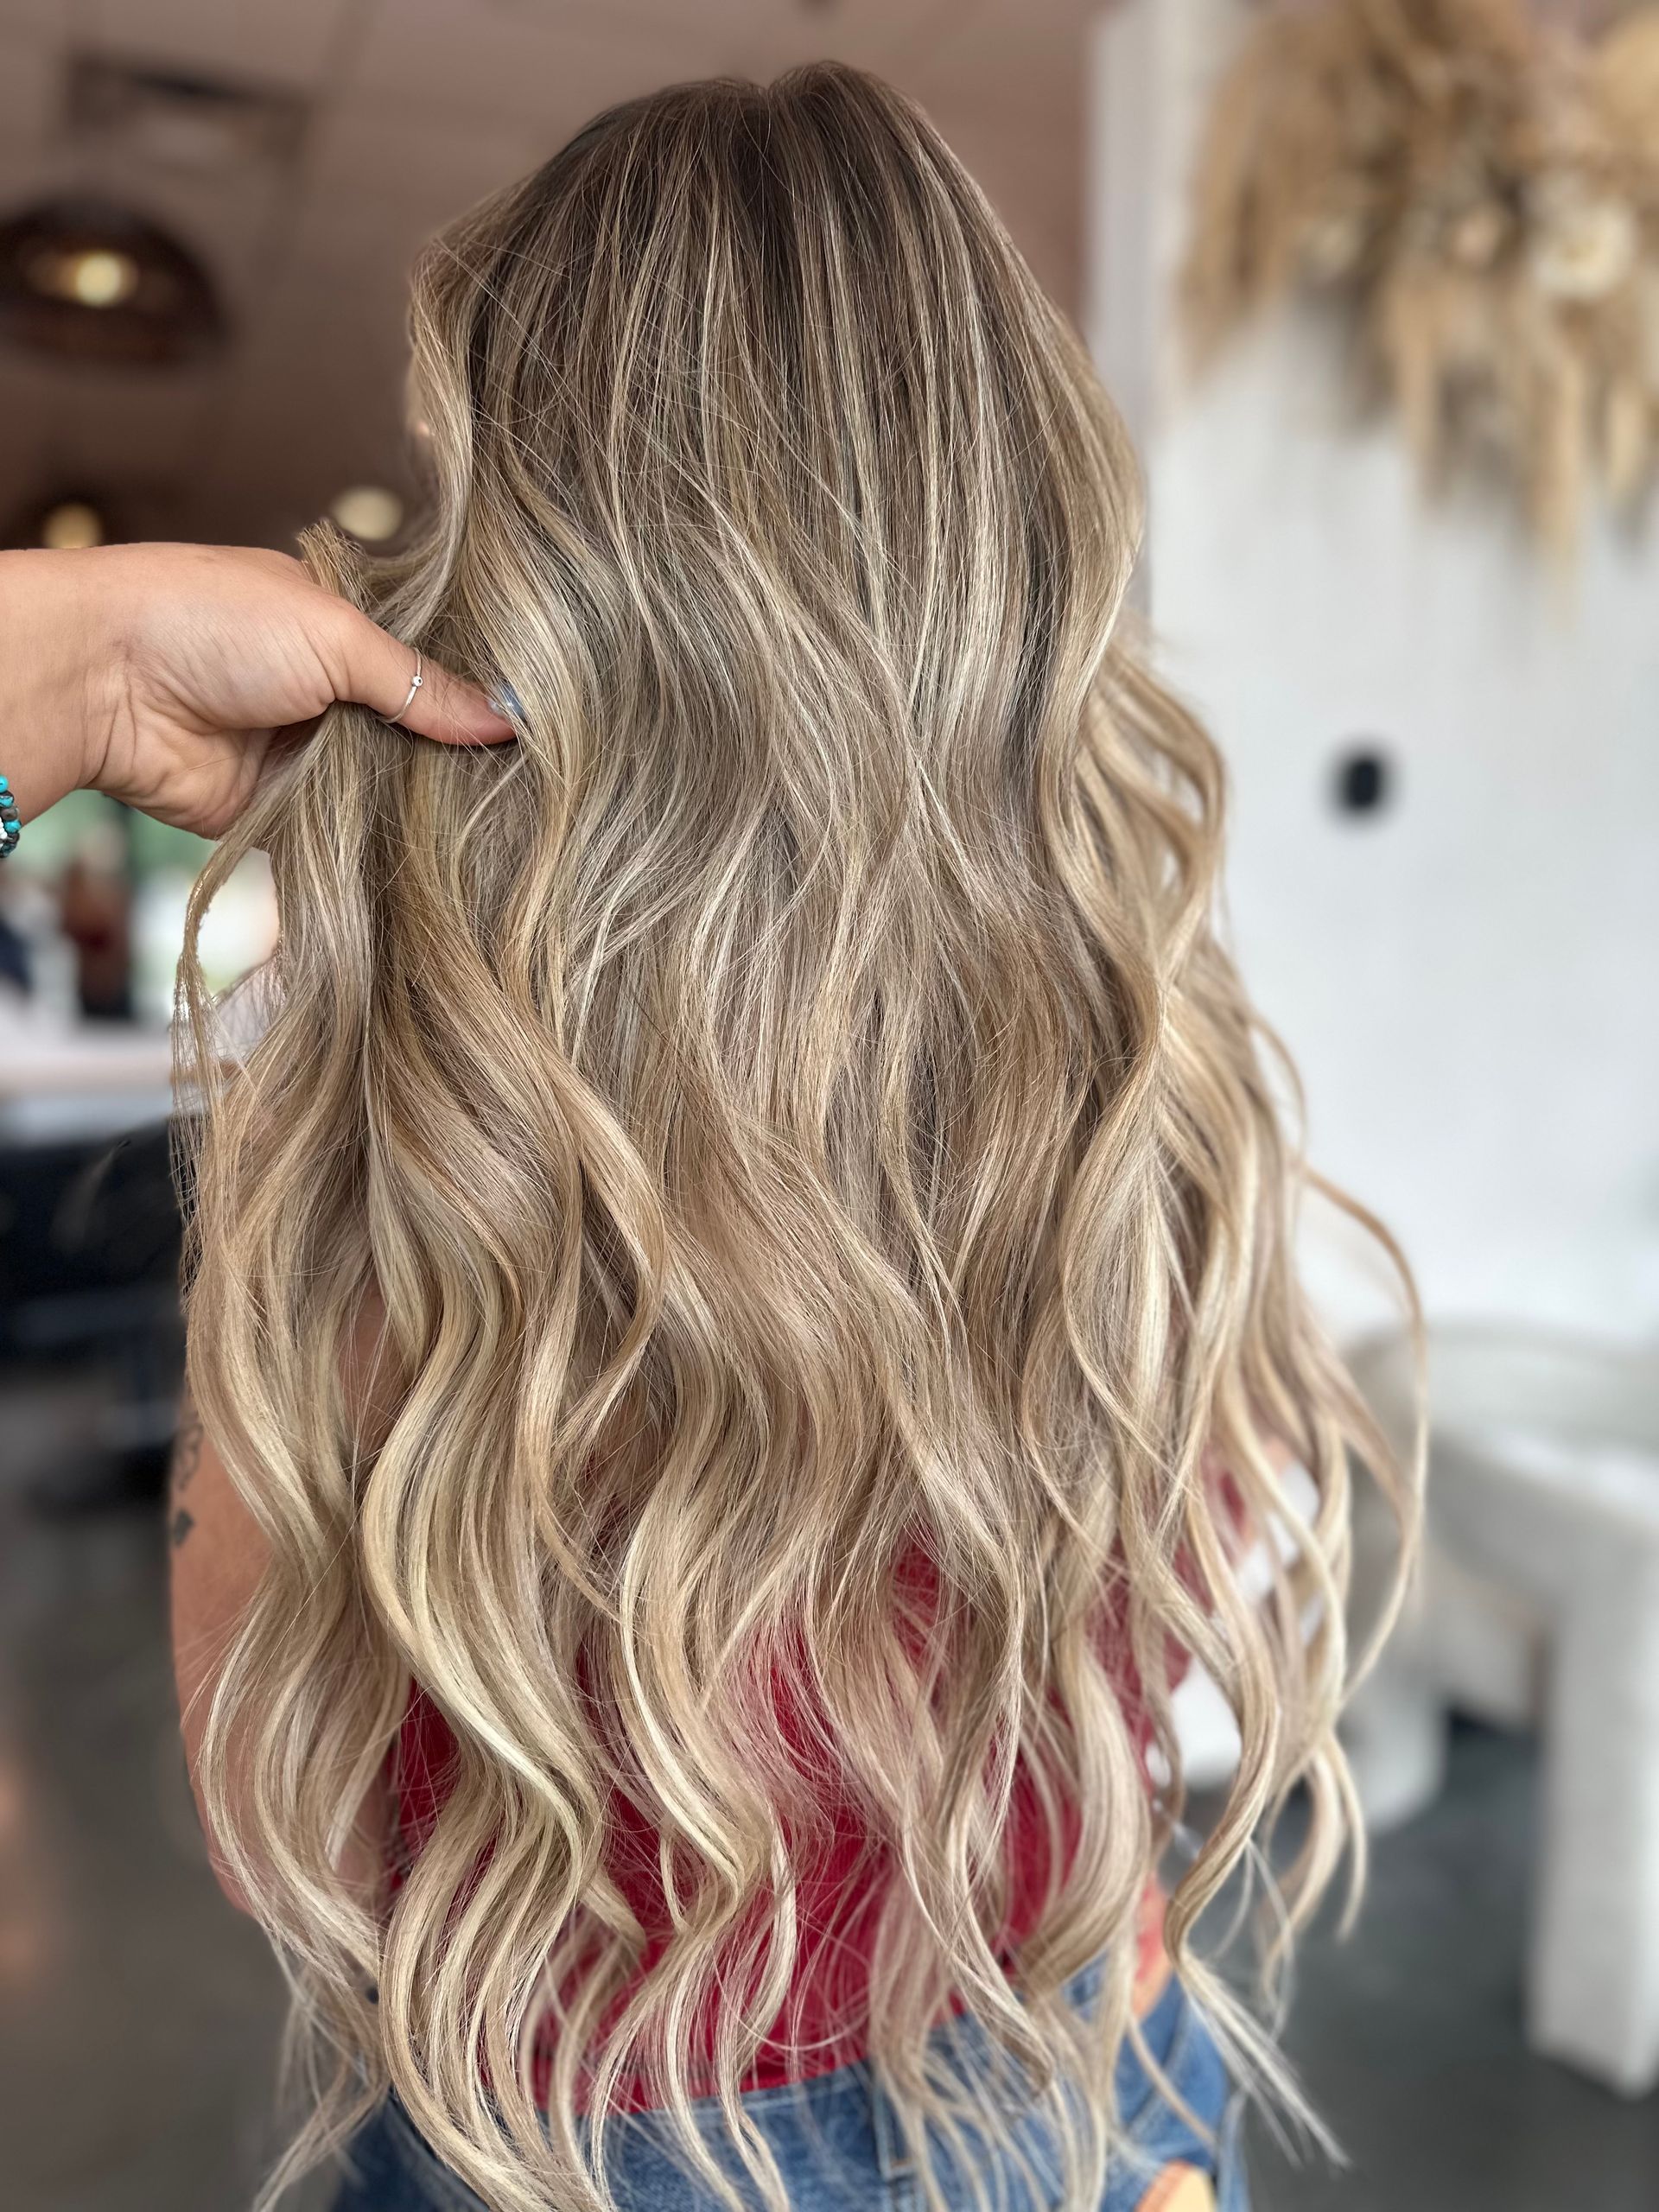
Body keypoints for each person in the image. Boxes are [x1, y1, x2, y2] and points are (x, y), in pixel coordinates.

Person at [0, 64, 1415, 2212]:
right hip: (1090, 2061)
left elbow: (252, 1789)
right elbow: (1218, 1553)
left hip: (573, 2133)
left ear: (517, 566)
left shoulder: (421, 1136)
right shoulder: (1127, 1061)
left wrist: (64, 661)